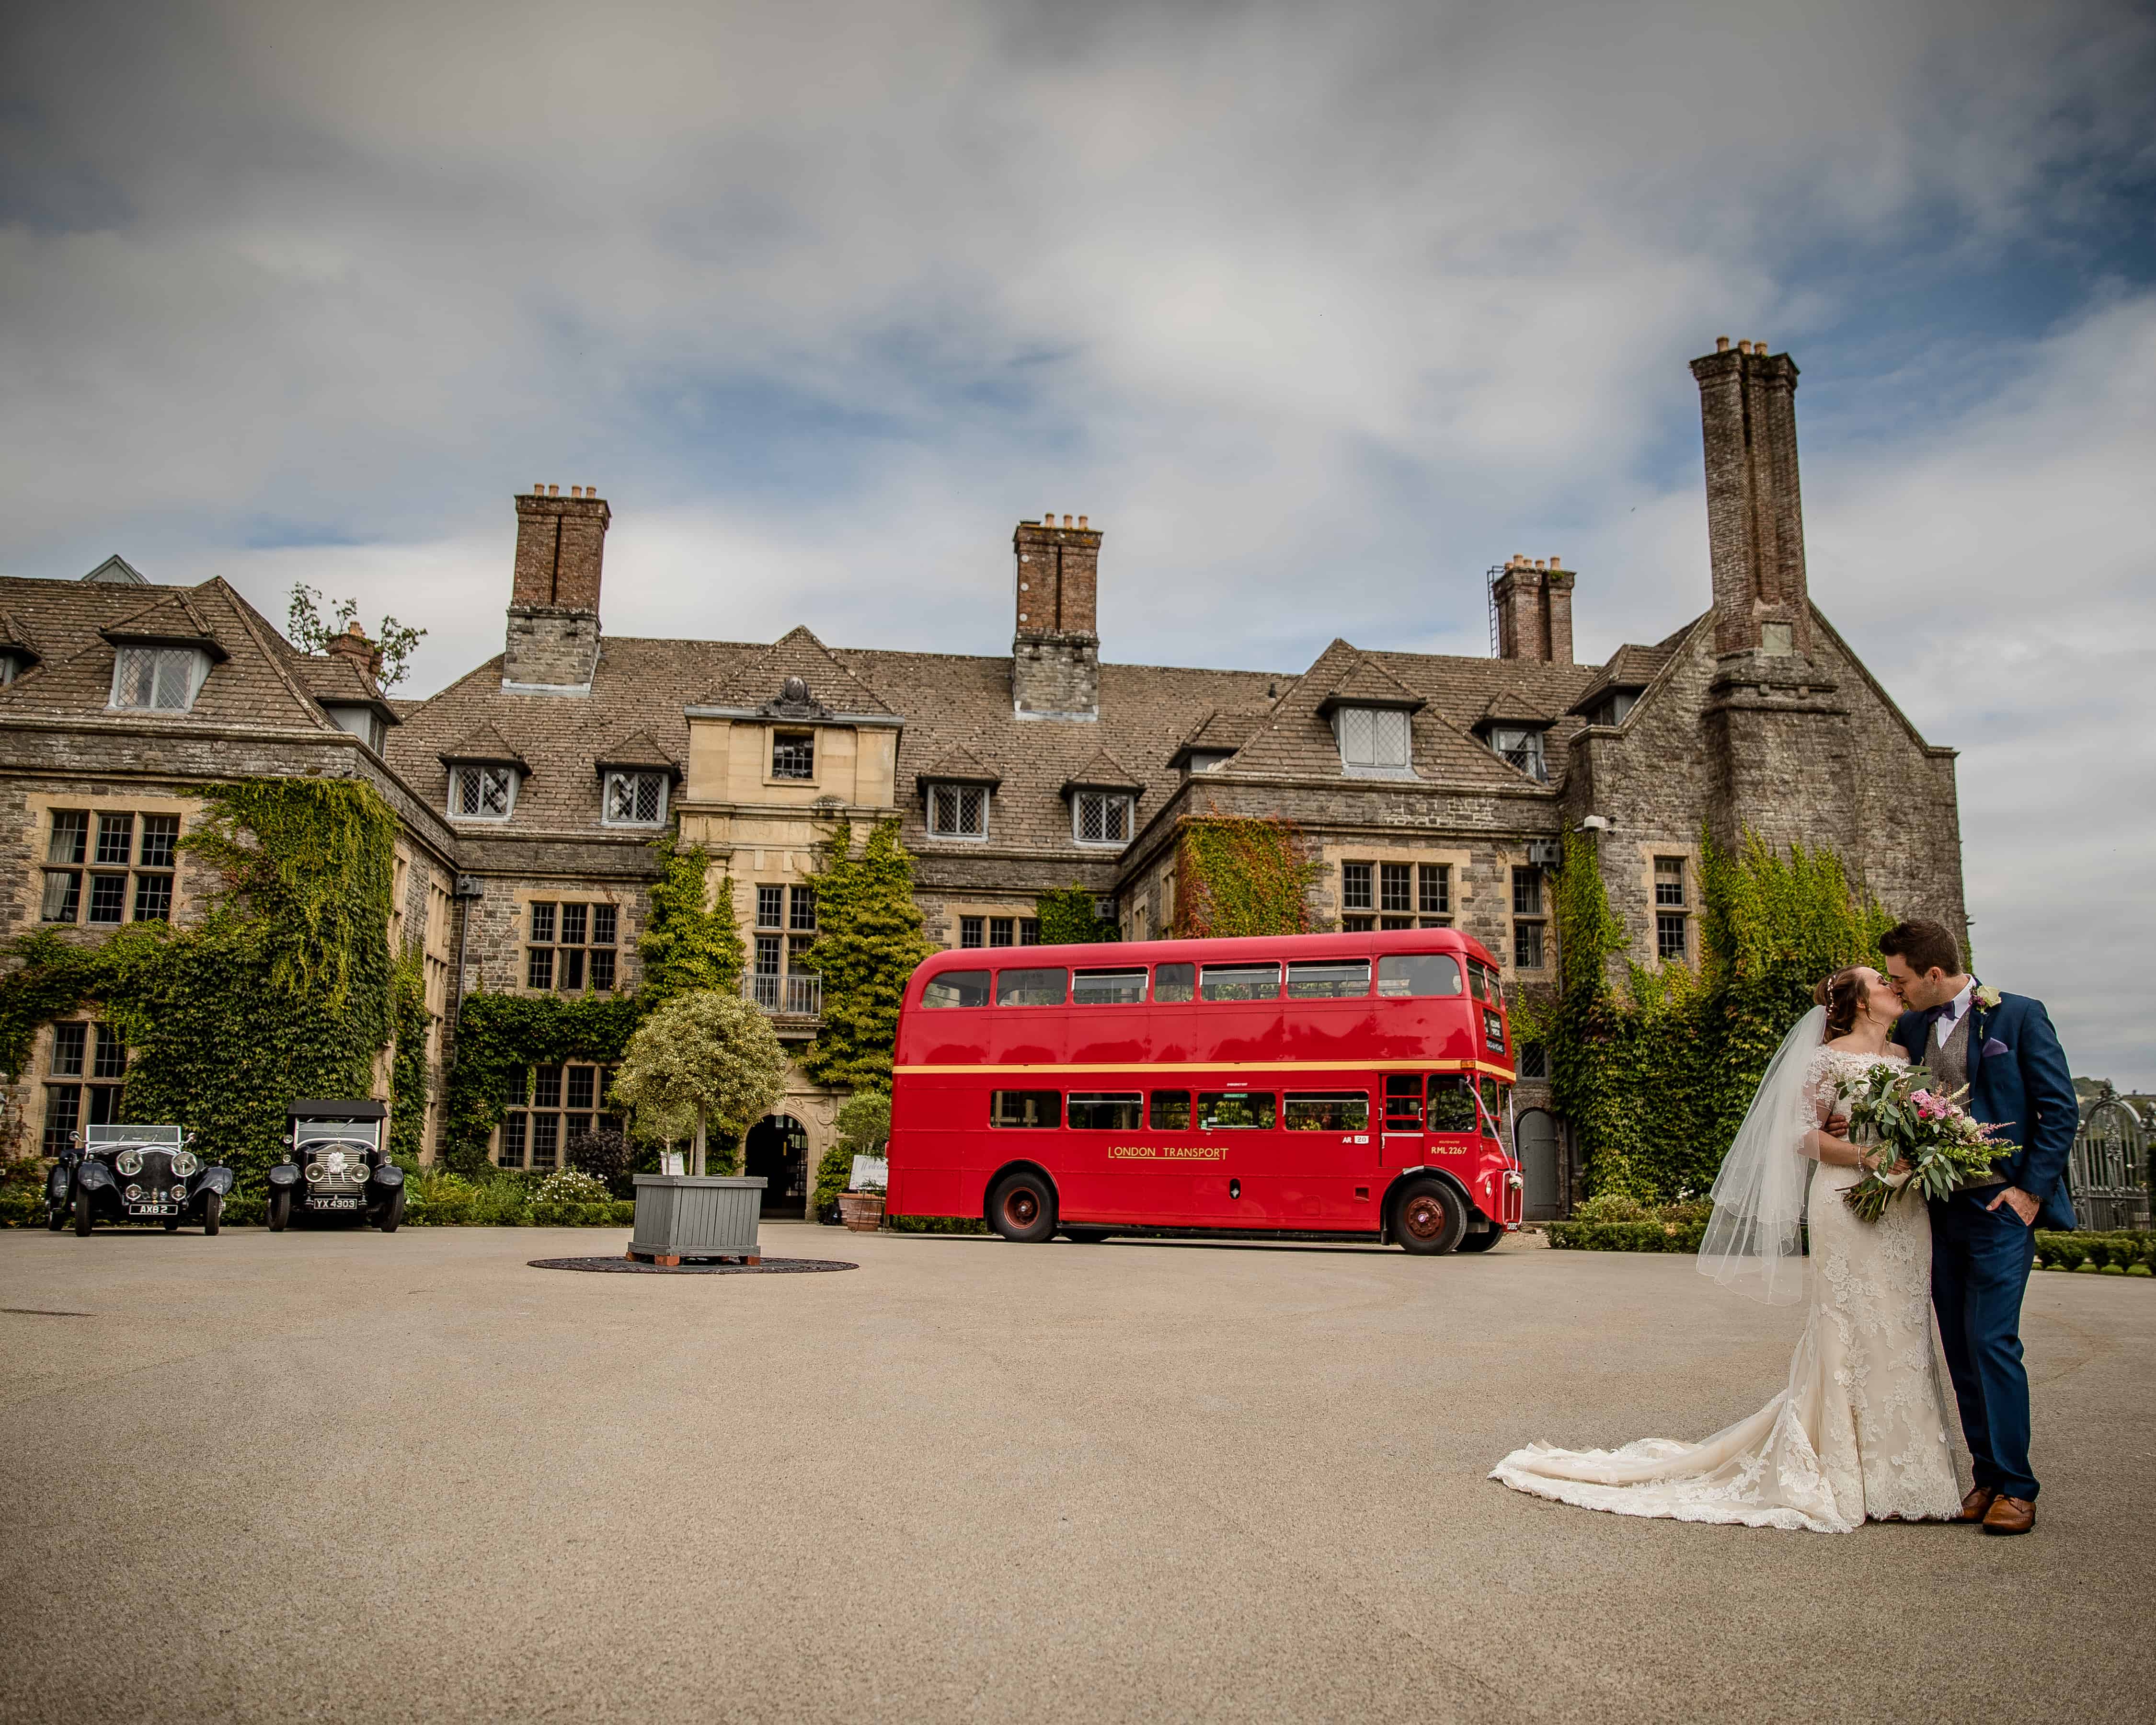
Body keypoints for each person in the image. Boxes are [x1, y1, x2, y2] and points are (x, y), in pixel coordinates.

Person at [1489, 966, 1964, 1531]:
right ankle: (1846, 1472)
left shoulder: (1906, 1053)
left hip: (1904, 1209)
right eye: (1879, 983)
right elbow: (1802, 1134)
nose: (1892, 986)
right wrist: (1867, 1157)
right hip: (1851, 1199)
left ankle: (1911, 1478)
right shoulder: (1826, 1059)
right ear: (1860, 1004)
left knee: (1904, 1326)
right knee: (1851, 1325)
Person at [1880, 919, 2076, 1537]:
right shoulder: (1912, 1028)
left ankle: (2019, 1488)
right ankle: (1987, 1476)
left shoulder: (2017, 1017)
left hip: (2000, 1207)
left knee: (1993, 1341)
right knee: (1960, 1348)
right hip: (1937, 1211)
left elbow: (2059, 1107)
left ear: (1935, 975)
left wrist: (2028, 1191)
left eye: (1902, 979)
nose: (1897, 990)